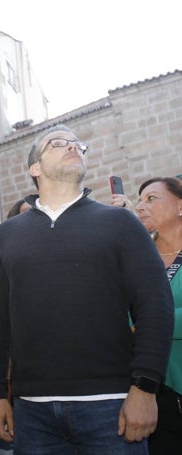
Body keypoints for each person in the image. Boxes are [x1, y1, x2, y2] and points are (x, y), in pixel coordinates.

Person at [0, 124, 175, 454]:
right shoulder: (7, 234)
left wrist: (144, 388)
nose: (73, 147)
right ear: (35, 168)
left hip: (112, 407)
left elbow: (155, 306)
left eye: (77, 144)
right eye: (58, 143)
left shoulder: (120, 223)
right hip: (31, 412)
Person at [133, 177, 182, 454]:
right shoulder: (137, 256)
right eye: (139, 200)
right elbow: (122, 314)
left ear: (180, 206)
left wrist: (148, 324)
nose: (141, 206)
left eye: (151, 199)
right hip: (150, 394)